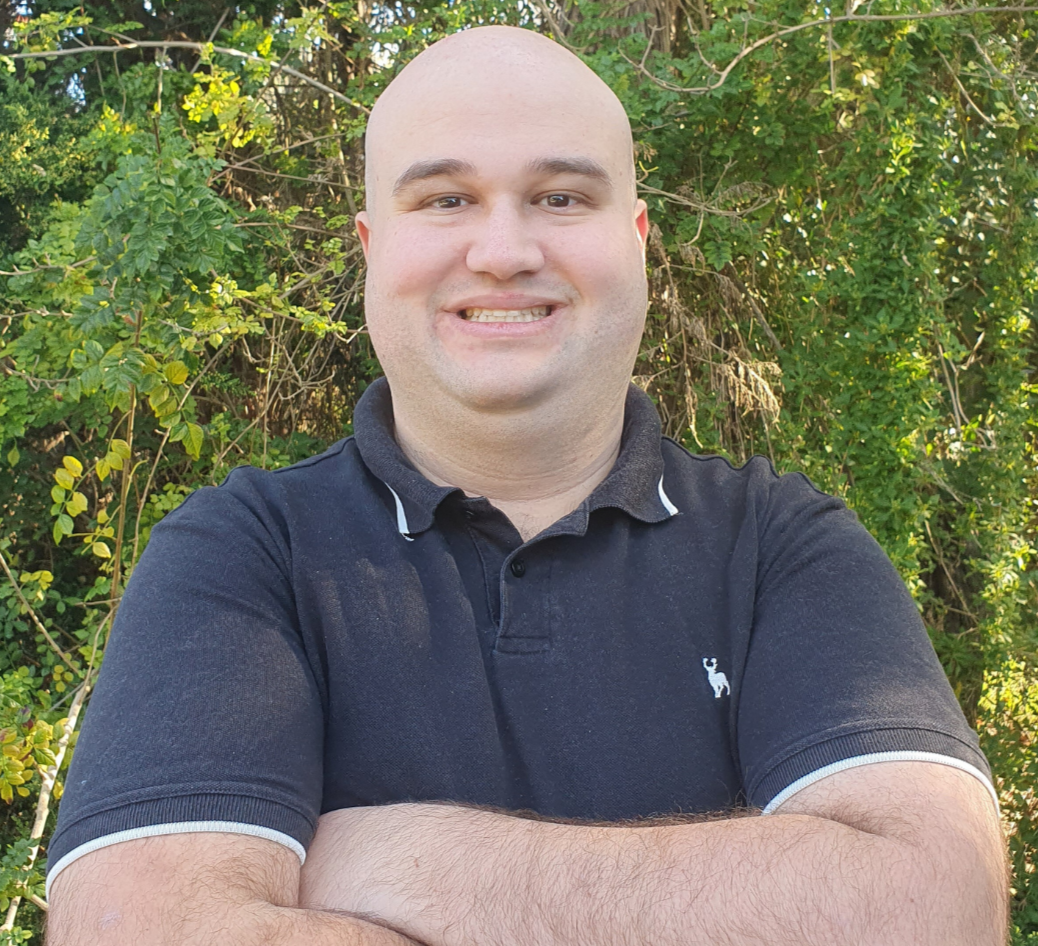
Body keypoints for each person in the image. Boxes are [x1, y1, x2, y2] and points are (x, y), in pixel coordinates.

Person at [46, 25, 1006, 946]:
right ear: (372, 247)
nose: (503, 251)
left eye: (559, 197)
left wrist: (398, 859)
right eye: (445, 201)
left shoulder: (785, 546)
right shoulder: (241, 557)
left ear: (637, 239)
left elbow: (932, 916)